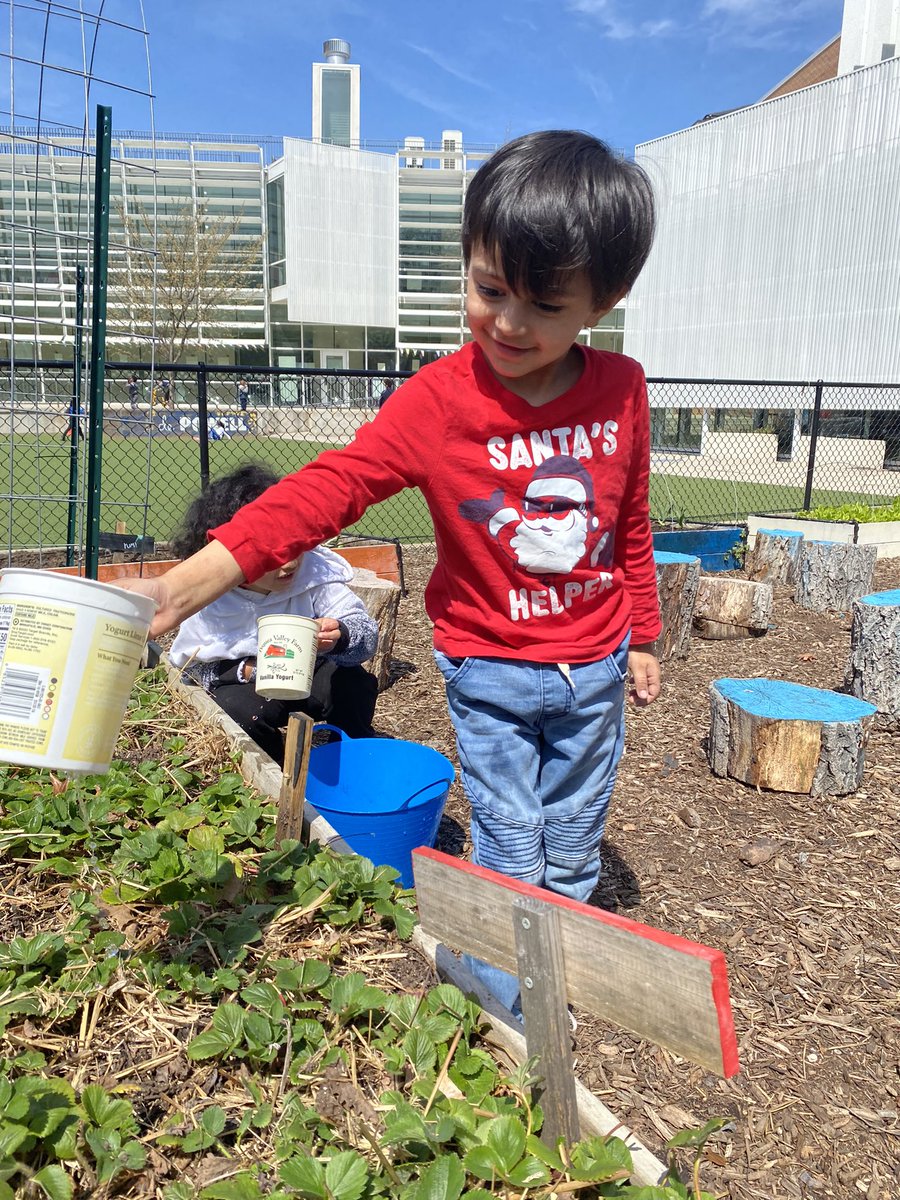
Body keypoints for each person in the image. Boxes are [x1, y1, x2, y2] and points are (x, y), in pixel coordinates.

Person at [120, 130, 662, 1014]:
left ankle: (549, 956)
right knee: (511, 840)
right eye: (489, 290)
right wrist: (183, 587)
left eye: (544, 305)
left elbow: (626, 521)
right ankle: (498, 997)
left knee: (573, 838)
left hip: (595, 665)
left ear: (604, 302)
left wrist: (642, 633)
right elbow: (324, 492)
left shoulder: (623, 389)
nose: (509, 324)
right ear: (469, 263)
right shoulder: (437, 401)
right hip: (490, 668)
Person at [168, 465, 379, 766]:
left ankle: (347, 758)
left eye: (297, 546)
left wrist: (341, 635)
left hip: (310, 671)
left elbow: (366, 634)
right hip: (249, 683)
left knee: (354, 685)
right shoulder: (213, 597)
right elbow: (192, 670)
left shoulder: (314, 575)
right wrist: (245, 671)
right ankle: (276, 769)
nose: (290, 563)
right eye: (273, 555)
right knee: (236, 712)